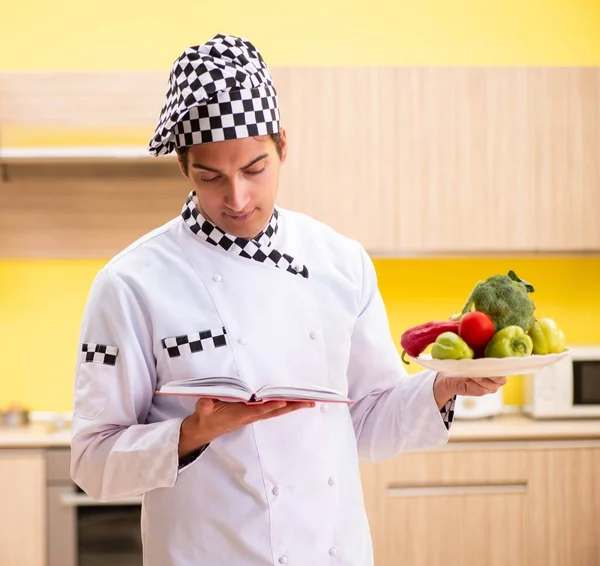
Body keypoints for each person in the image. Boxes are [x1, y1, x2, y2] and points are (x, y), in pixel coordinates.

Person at [70, 33, 506, 566]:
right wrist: (192, 432)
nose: (238, 198)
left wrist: (442, 387)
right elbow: (92, 462)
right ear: (184, 168)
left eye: (255, 169)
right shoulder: (131, 282)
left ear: (283, 146)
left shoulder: (340, 262)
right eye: (212, 178)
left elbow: (367, 423)